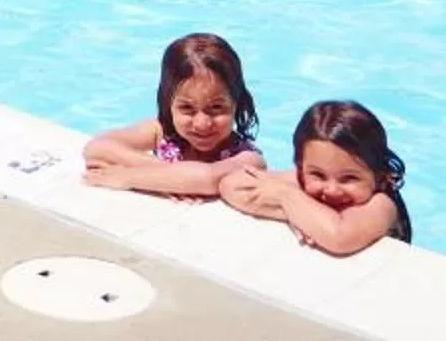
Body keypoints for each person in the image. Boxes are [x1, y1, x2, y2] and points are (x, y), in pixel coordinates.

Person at [84, 32, 264, 198]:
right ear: (168, 104)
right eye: (187, 108)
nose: (202, 123)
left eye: (216, 108)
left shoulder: (248, 159)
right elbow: (96, 147)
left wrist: (130, 177)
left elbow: (207, 179)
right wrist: (168, 178)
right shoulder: (162, 132)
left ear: (237, 103)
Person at [218, 99, 411, 253]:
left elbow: (340, 237)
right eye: (318, 174)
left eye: (349, 178)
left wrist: (288, 198)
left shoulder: (383, 203)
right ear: (301, 168)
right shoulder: (307, 179)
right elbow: (230, 185)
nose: (332, 189)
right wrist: (297, 214)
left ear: (378, 175)